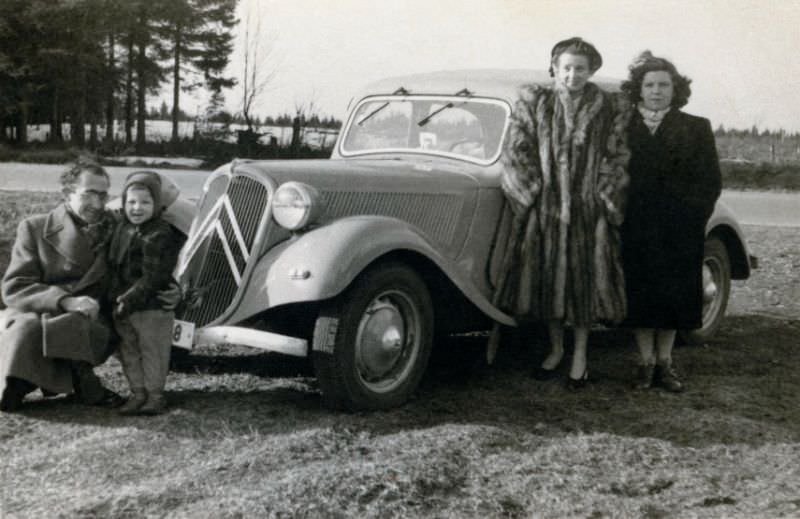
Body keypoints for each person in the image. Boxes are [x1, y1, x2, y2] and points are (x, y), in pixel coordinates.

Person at [493, 37, 631, 388]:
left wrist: (604, 196)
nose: (573, 75)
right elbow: (516, 151)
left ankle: (580, 357)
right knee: (546, 283)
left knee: (583, 286)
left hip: (589, 211)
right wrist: (532, 194)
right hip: (547, 210)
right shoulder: (535, 102)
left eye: (580, 68)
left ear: (592, 70)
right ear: (554, 68)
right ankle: (555, 350)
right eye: (566, 67)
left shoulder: (608, 107)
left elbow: (618, 156)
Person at [620, 51, 722, 392]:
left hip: (680, 228)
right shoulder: (620, 127)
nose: (657, 91)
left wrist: (690, 218)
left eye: (664, 84)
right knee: (640, 294)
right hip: (633, 226)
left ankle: (666, 363)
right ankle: (643, 363)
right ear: (639, 88)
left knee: (673, 294)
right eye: (649, 84)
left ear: (675, 89)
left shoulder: (696, 127)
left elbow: (710, 182)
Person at [0, 162, 123, 411]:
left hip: (93, 317)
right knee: (26, 326)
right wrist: (64, 301)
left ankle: (25, 385)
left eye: (102, 195)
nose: (97, 204)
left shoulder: (120, 230)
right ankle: (20, 386)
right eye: (88, 193)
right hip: (37, 308)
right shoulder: (35, 228)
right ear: (67, 194)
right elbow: (16, 286)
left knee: (71, 325)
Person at [108, 171, 183, 415]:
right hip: (124, 305)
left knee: (153, 351)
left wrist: (127, 299)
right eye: (131, 202)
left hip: (151, 305)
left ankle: (155, 395)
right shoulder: (123, 229)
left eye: (145, 202)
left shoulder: (159, 234)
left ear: (157, 204)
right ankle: (137, 392)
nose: (137, 208)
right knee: (129, 350)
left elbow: (154, 276)